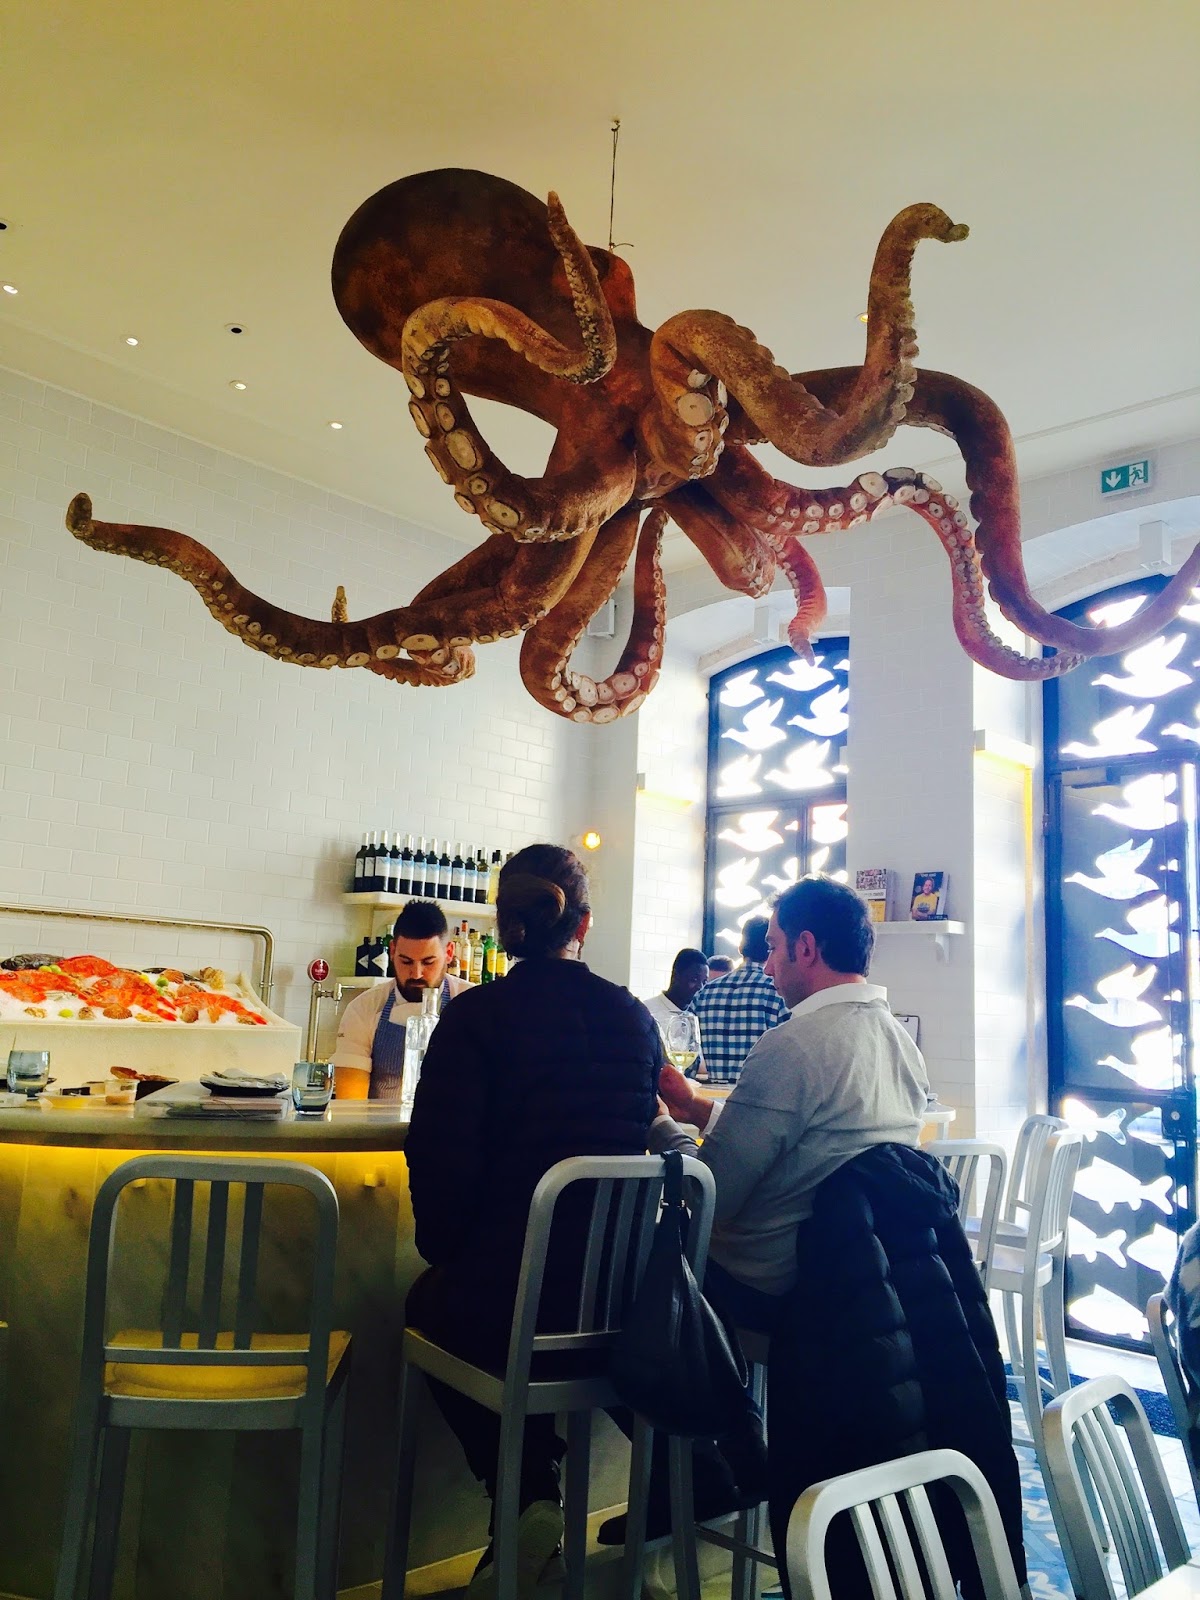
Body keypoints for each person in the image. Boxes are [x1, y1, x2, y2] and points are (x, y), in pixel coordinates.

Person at [652, 879, 1025, 1597]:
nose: (766, 965)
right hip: (865, 1278)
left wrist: (664, 1130)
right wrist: (700, 1106)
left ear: (806, 947)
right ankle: (723, 1452)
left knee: (648, 1273)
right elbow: (811, 1144)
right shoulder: (896, 1039)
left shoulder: (793, 1044)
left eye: (772, 949)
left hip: (777, 1282)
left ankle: (707, 1466)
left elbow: (718, 1193)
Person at [403, 844, 660, 1599]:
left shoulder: (474, 1018)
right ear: (583, 923)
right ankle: (553, 1492)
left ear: (502, 923)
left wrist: (452, 1254)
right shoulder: (633, 1019)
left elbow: (440, 1179)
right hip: (619, 1313)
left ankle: (524, 1489)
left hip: (507, 1310)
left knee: (424, 1300)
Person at [332, 900, 472, 1100]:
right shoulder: (364, 1008)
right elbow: (351, 1104)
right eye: (406, 961)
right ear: (392, 950)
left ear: (449, 953)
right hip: (380, 1122)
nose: (416, 973)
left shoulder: (473, 1004)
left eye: (428, 962)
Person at [685, 915, 787, 1085]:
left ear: (741, 947)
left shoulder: (704, 993)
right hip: (760, 1095)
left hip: (712, 1096)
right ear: (770, 949)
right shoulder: (778, 993)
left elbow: (686, 1054)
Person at [643, 948, 708, 1029]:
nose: (700, 987)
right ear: (675, 976)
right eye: (694, 979)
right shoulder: (647, 1012)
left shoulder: (695, 1017)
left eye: (704, 982)